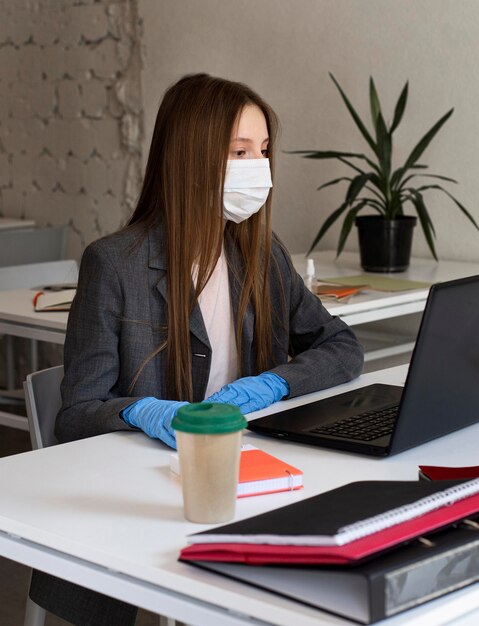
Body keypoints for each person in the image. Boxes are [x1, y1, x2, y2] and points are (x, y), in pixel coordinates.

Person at [31, 74, 363, 625]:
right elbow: (77, 412)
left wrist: (276, 383)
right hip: (147, 500)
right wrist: (142, 410)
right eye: (239, 152)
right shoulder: (114, 264)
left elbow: (342, 345)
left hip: (246, 481)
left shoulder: (259, 253)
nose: (258, 168)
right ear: (191, 157)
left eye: (262, 152)